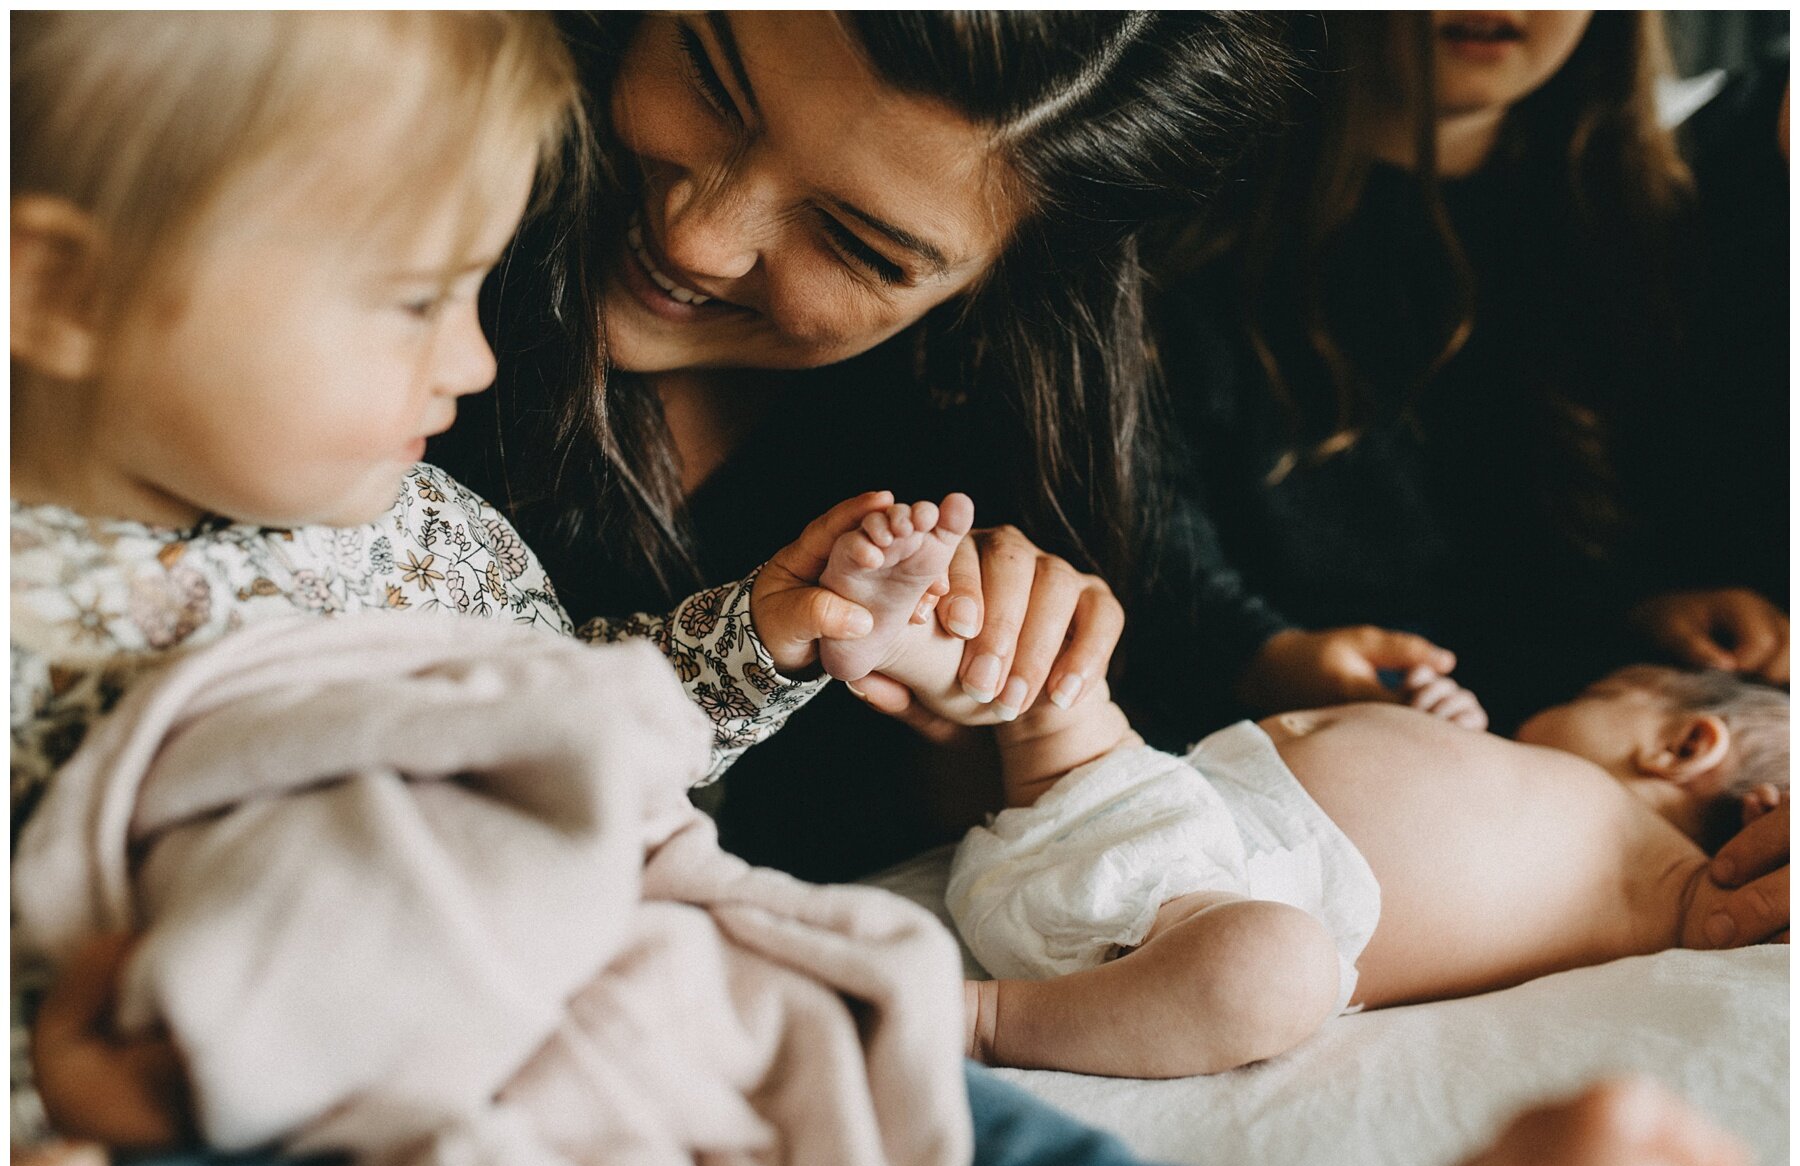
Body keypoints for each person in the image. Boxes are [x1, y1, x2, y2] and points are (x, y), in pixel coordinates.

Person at [8, 10, 951, 1166]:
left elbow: (563, 734)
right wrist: (46, 1111)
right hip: (243, 1102)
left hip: (575, 1023)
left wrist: (763, 637)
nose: (474, 361)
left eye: (474, 292)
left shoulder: (423, 528)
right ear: (62, 290)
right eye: (416, 302)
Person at [431, 10, 1303, 881]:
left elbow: (889, 858)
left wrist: (991, 712)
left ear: (994, 292)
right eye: (711, 82)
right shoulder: (380, 201)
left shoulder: (964, 446)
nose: (700, 236)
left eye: (855, 244)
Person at [805, 515, 1786, 1080]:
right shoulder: (1522, 773)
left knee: (1284, 973)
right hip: (1138, 800)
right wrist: (1435, 720)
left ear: (1684, 742)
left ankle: (984, 1019)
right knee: (1052, 684)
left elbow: (1755, 917)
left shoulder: (1676, 885)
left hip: (1197, 924)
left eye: (1590, 700)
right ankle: (892, 622)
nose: (1549, 711)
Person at [1129, 10, 1787, 742]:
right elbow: (1132, 504)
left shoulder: (1654, 223)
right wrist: (1257, 654)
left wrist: (1651, 604)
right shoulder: (1171, 220)